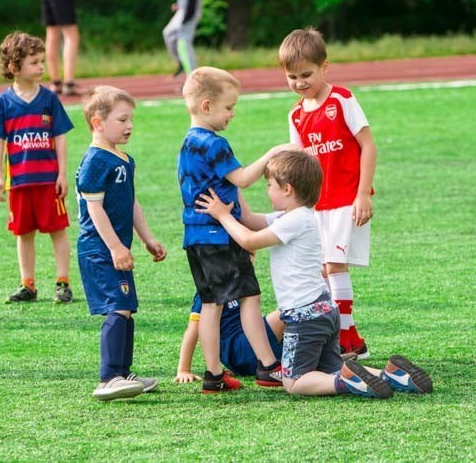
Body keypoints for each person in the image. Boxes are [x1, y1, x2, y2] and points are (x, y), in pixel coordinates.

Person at [196, 150, 433, 398]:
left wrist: (222, 215)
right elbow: (247, 218)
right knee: (331, 367)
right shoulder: (296, 216)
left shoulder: (293, 222)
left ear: (287, 189)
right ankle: (392, 375)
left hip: (304, 317)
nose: (267, 191)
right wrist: (232, 185)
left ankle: (345, 384)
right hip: (325, 312)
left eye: (269, 185)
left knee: (294, 382)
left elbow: (249, 240)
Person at [178, 66, 294, 393]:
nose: (232, 114)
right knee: (245, 299)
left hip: (197, 236)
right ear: (206, 106)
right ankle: (268, 366)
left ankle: (215, 374)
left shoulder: (187, 144)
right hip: (219, 236)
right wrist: (274, 153)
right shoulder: (214, 144)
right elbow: (242, 179)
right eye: (228, 107)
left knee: (217, 302)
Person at [278, 28, 377, 358]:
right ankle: (347, 336)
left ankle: (347, 337)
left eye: (307, 74)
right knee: (323, 269)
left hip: (346, 200)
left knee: (335, 266)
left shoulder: (342, 100)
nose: (300, 82)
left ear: (324, 67)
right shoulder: (295, 114)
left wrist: (363, 194)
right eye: (292, 76)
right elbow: (299, 162)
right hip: (316, 205)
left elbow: (368, 146)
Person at [75, 86, 167, 400]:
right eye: (122, 119)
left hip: (117, 247)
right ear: (98, 123)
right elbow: (94, 208)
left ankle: (124, 373)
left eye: (130, 119)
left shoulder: (124, 158)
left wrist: (147, 238)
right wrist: (115, 247)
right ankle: (108, 377)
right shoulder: (95, 161)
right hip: (99, 248)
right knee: (118, 307)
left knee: (127, 307)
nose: (129, 125)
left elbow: (131, 204)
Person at [0, 32, 75, 304]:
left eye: (42, 61)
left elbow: (60, 137)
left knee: (58, 230)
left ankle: (63, 282)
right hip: (19, 182)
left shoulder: (49, 99)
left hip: (48, 181)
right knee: (23, 233)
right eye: (34, 62)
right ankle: (28, 284)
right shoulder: (2, 103)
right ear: (14, 67)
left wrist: (62, 173)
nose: (41, 67)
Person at [174, 294, 285, 383]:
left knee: (294, 316)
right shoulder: (207, 291)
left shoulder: (234, 284)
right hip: (239, 352)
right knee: (288, 311)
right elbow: (192, 330)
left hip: (253, 352)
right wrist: (183, 370)